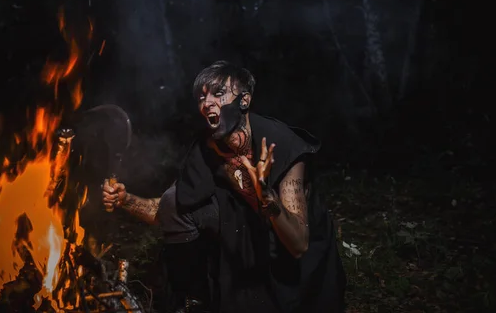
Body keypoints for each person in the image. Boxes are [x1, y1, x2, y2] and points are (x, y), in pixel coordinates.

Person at [102, 61, 346, 313]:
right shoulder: (205, 150)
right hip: (241, 243)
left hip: (291, 267)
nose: (206, 102)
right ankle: (192, 301)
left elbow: (298, 244)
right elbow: (166, 209)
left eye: (218, 93)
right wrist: (125, 199)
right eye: (201, 96)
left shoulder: (280, 145)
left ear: (244, 101)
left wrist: (265, 196)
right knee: (174, 200)